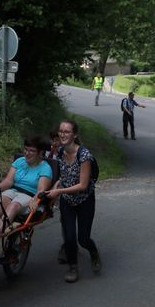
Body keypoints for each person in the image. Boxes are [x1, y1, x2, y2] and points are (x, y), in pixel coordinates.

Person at [46, 120, 101, 283]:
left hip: (85, 200)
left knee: (83, 239)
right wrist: (55, 188)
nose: (62, 134)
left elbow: (83, 185)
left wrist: (58, 191)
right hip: (67, 201)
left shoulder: (84, 155)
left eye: (67, 131)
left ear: (75, 135)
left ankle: (93, 252)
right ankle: (72, 267)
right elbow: (64, 175)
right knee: (69, 237)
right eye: (61, 131)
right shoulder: (60, 151)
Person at [0, 136, 53, 251]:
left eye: (31, 151)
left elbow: (41, 190)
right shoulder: (19, 161)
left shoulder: (45, 168)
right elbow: (8, 181)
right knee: (1, 200)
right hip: (14, 190)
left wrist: (35, 200)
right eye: (25, 149)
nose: (27, 153)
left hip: (29, 195)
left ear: (40, 153)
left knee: (14, 205)